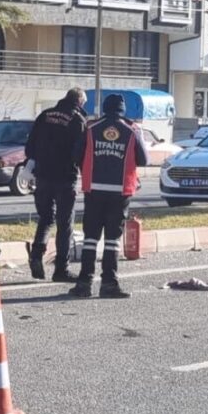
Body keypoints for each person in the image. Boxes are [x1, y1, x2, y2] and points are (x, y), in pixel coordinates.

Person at [70, 94, 149, 299]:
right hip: (119, 191)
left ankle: (84, 284)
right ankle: (109, 284)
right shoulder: (132, 130)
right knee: (112, 239)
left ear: (104, 108)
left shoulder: (90, 128)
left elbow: (75, 154)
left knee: (90, 237)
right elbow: (143, 159)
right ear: (122, 109)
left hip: (94, 189)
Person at [23, 87, 88, 281]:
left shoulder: (44, 115)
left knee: (46, 218)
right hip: (65, 177)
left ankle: (36, 254)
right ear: (80, 102)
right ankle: (61, 269)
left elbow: (29, 148)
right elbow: (80, 153)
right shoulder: (77, 121)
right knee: (64, 221)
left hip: (42, 175)